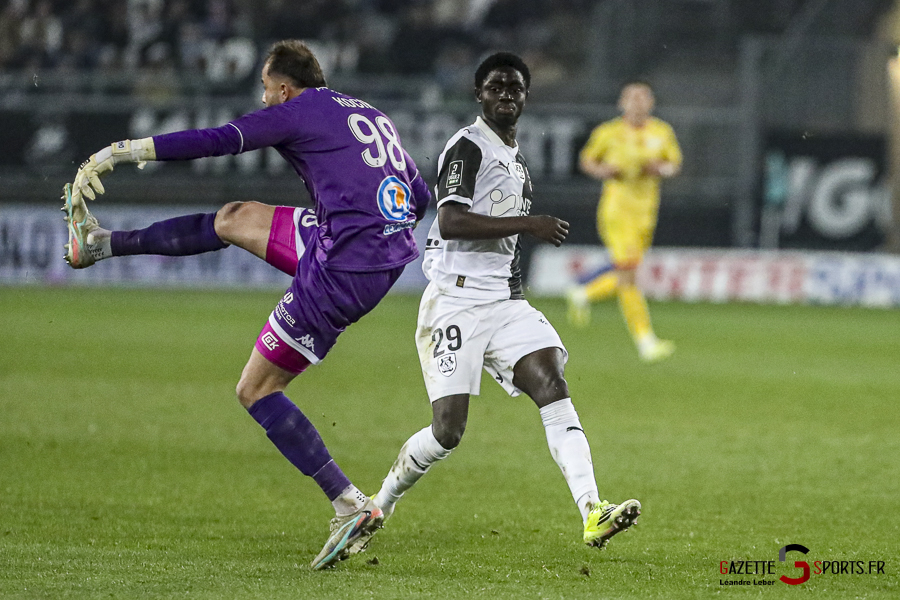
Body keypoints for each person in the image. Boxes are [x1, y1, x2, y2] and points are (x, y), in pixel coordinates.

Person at [61, 39, 431, 570]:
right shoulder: (366, 113)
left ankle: (348, 502)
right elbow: (417, 198)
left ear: (282, 88)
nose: (263, 101)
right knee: (235, 216)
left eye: (264, 90)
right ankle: (102, 244)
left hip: (344, 266)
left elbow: (219, 139)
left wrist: (126, 150)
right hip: (363, 246)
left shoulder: (295, 110)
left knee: (255, 389)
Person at [348, 52, 641, 556]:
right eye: (496, 86)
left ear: (526, 97)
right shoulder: (468, 147)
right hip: (455, 303)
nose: (506, 94)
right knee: (447, 432)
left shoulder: (517, 159)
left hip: (504, 303)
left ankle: (593, 511)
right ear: (479, 95)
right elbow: (452, 222)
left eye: (515, 87)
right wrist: (530, 224)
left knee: (552, 385)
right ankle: (380, 503)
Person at [566, 80, 682, 363]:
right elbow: (587, 161)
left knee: (628, 274)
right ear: (622, 103)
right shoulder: (609, 132)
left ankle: (584, 292)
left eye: (643, 98)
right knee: (629, 275)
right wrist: (606, 170)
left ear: (651, 103)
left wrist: (660, 168)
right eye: (632, 98)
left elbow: (674, 164)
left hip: (646, 211)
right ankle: (645, 342)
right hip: (618, 211)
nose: (638, 103)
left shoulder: (661, 131)